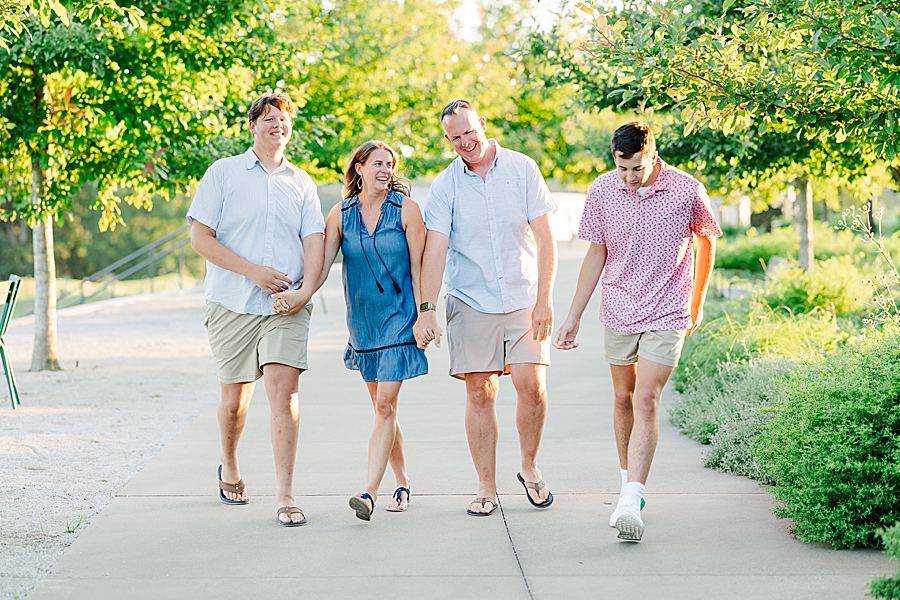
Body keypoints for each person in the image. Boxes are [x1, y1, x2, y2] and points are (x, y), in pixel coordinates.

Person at [554, 121, 722, 541]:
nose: (629, 177)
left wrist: (697, 302)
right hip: (619, 307)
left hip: (668, 308)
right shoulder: (603, 190)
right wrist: (573, 315)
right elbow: (596, 252)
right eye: (622, 167)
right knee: (623, 398)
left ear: (653, 155)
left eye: (638, 168)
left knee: (646, 399)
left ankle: (630, 499)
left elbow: (707, 240)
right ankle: (629, 482)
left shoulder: (687, 190)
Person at [414, 99, 558, 517]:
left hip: (522, 296)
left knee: (532, 386)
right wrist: (427, 308)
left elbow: (546, 239)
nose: (464, 142)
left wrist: (545, 300)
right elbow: (435, 250)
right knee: (480, 391)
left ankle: (529, 468)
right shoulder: (445, 185)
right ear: (447, 139)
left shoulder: (522, 168)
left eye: (468, 132)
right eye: (455, 137)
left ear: (483, 124)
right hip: (471, 298)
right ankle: (486, 487)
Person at [187, 92, 325, 527]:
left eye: (284, 120)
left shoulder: (301, 183)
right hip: (232, 303)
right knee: (235, 402)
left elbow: (315, 244)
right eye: (268, 119)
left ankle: (285, 495)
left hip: (285, 306)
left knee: (284, 393)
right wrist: (254, 272)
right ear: (253, 126)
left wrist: (304, 293)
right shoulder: (223, 174)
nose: (277, 126)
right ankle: (229, 462)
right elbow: (201, 239)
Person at [275, 140, 426, 521]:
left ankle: (369, 493)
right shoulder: (340, 214)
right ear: (358, 168)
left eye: (390, 164)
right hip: (362, 324)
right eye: (377, 163)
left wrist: (426, 313)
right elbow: (322, 264)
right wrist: (300, 295)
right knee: (383, 409)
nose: (385, 170)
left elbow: (420, 266)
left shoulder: (407, 210)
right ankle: (403, 480)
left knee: (385, 405)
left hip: (400, 318)